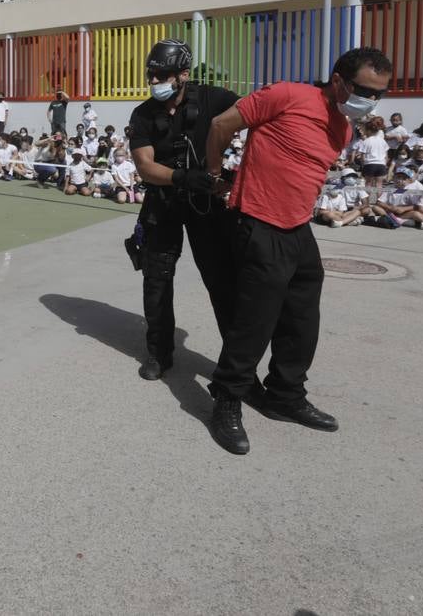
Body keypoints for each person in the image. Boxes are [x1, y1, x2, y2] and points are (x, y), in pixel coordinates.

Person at [202, 47, 393, 455]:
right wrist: (215, 173)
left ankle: (285, 395)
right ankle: (227, 399)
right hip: (257, 219)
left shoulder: (342, 128)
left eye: (380, 93)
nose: (371, 100)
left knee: (302, 317)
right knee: (254, 320)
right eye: (365, 90)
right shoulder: (288, 95)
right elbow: (221, 124)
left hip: (297, 228)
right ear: (339, 80)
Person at [128, 39, 240, 381]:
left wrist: (236, 170)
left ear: (184, 75)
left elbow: (259, 116)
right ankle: (159, 353)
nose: (156, 81)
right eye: (152, 75)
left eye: (163, 74)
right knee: (156, 280)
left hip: (207, 205)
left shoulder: (214, 98)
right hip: (162, 204)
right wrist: (182, 177)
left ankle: (236, 364)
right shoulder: (143, 114)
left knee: (222, 281)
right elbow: (145, 167)